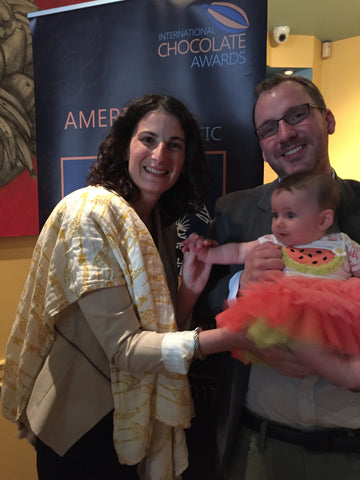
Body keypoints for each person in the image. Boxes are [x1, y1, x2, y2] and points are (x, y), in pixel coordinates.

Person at [1, 94, 257, 480]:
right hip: (80, 428)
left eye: (174, 145)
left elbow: (160, 332)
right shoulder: (91, 215)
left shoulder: (160, 225)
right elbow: (125, 348)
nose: (160, 155)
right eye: (148, 140)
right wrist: (232, 337)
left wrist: (189, 288)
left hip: (136, 417)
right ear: (125, 147)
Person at [202, 75, 360, 480]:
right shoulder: (232, 212)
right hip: (260, 449)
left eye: (296, 115)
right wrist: (241, 286)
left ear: (328, 119)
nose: (285, 134)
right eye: (269, 128)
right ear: (261, 145)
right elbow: (206, 293)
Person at [185, 171, 360, 364]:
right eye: (275, 215)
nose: (278, 223)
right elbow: (237, 252)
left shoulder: (344, 244)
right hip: (281, 323)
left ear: (323, 220)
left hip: (332, 326)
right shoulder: (273, 241)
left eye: (290, 215)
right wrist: (208, 254)